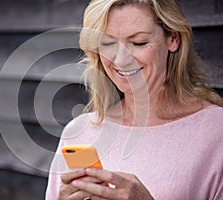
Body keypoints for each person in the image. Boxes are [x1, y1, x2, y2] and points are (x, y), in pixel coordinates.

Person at [46, 0, 223, 199]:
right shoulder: (79, 132)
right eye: (108, 43)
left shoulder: (216, 132)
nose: (121, 60)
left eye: (139, 43)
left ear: (173, 39)